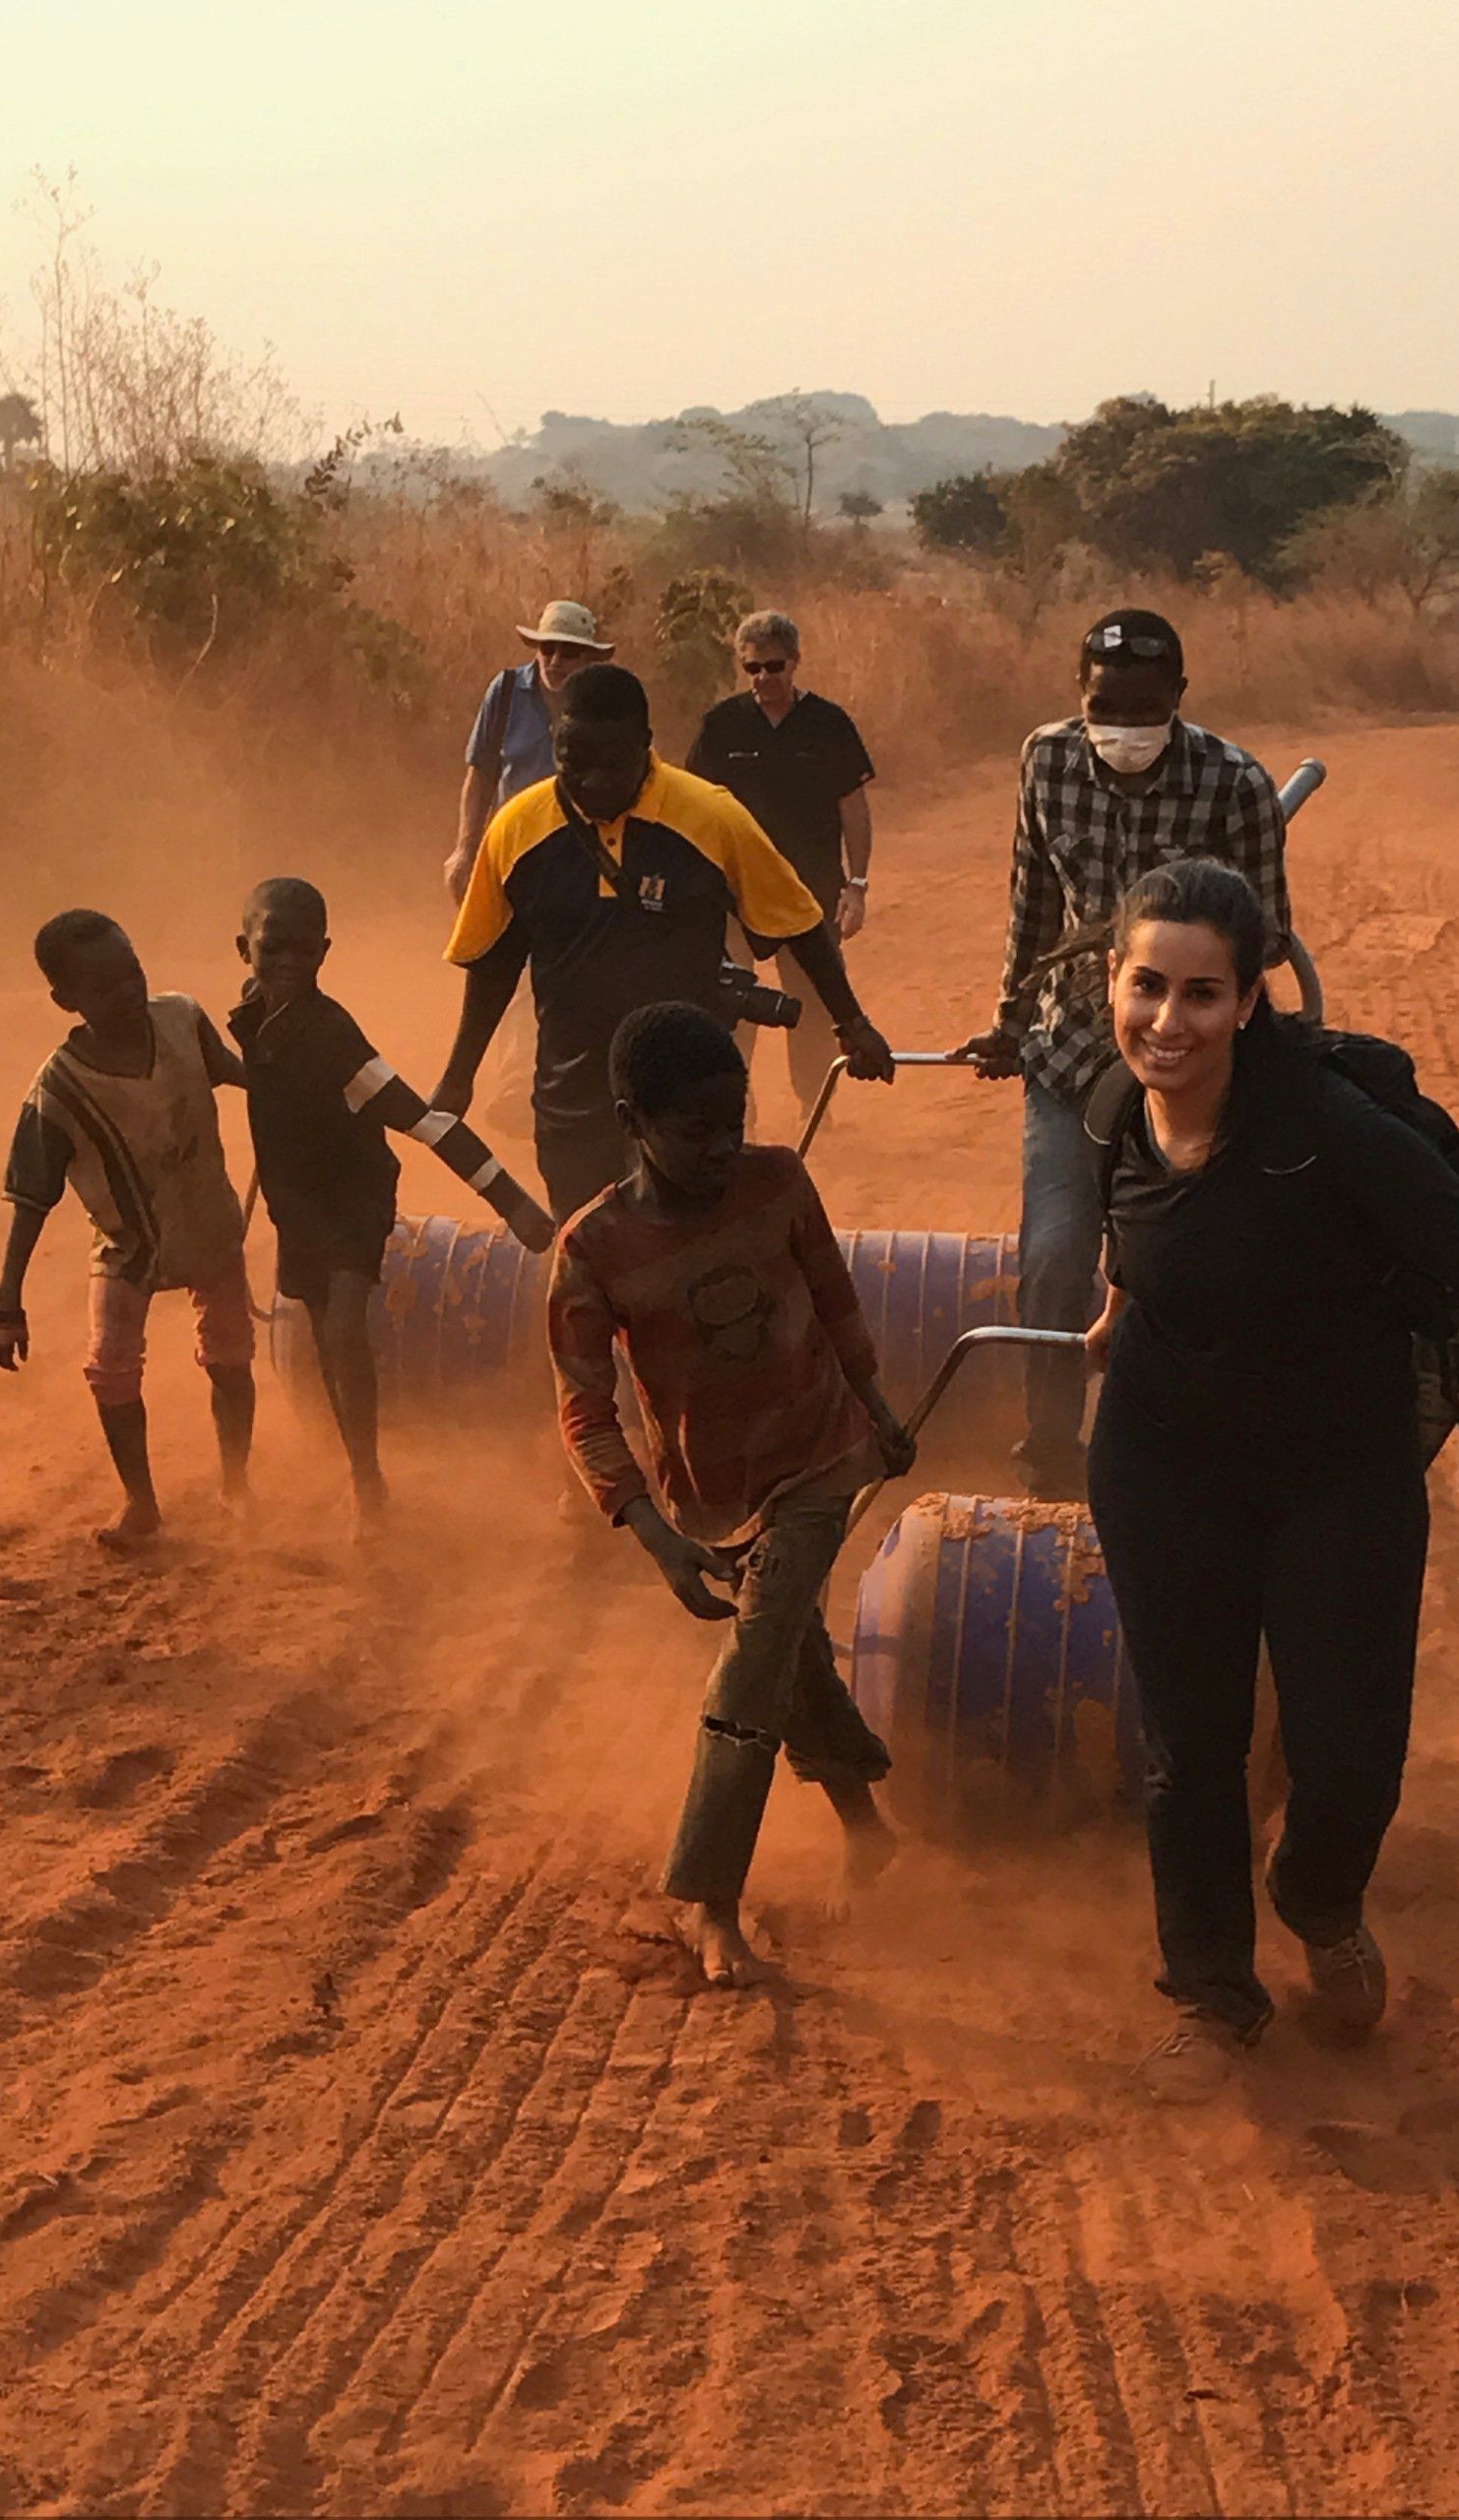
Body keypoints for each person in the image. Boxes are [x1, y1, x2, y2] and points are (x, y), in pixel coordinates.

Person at [1077, 859, 1459, 2086]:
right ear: (1114, 980)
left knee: (1350, 1747)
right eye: (1146, 985)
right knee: (1190, 1745)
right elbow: (1134, 1234)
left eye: (1202, 994)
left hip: (1337, 1470)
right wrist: (1115, 1315)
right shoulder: (1113, 1107)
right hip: (1165, 1464)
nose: (1168, 1020)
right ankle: (1214, 1996)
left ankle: (1317, 1894)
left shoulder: (1330, 1134)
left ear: (1250, 1002)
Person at [547, 1001, 917, 1986]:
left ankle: (709, 1898)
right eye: (692, 1130)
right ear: (632, 1119)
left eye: (734, 1121)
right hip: (709, 1495)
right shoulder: (592, 1250)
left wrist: (878, 1410)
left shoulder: (778, 1183)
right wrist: (659, 1540)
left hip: (821, 1455)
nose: (721, 1148)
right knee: (791, 1649)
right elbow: (585, 1413)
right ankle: (867, 1825)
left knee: (751, 1666)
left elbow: (837, 1299)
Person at [959, 608, 1292, 1501]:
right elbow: (1032, 901)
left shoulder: (1238, 787)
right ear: (1081, 697)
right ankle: (1050, 1442)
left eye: (1145, 711)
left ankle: (1189, 1441)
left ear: (1180, 701)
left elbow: (1266, 940)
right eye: (1107, 708)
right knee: (1059, 1255)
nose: (1124, 730)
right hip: (1070, 1054)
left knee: (1183, 1259)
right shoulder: (1047, 761)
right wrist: (1008, 1015)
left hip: (1187, 1068)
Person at [434, 663, 895, 1223]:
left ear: (647, 748)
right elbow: (492, 962)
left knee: (691, 1250)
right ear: (555, 745)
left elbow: (800, 924)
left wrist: (852, 1022)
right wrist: (459, 1077)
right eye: (573, 763)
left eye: (613, 764)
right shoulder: (515, 829)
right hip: (573, 1091)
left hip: (691, 1094)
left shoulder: (710, 816)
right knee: (588, 1247)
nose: (593, 782)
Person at [231, 877, 552, 1529]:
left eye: (303, 950)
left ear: (325, 952)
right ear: (245, 950)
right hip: (296, 1200)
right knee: (320, 1328)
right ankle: (361, 1465)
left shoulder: (332, 1038)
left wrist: (511, 1201)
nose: (288, 962)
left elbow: (426, 1121)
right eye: (274, 948)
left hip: (354, 1196)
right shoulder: (248, 1019)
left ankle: (367, 1482)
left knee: (343, 1324)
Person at [0, 911, 255, 1549]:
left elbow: (244, 1075)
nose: (128, 991)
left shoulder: (183, 1019)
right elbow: (30, 1202)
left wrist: (291, 1074)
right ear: (65, 1000)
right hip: (127, 1249)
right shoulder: (58, 1091)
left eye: (132, 972)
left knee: (231, 1358)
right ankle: (141, 1506)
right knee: (110, 1370)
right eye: (104, 986)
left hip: (211, 1228)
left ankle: (237, 1486)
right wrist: (6, 1305)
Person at [686, 610, 876, 1114]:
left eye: (773, 666)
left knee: (812, 1002)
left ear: (794, 663)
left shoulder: (829, 724)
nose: (764, 678)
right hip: (729, 892)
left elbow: (853, 809)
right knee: (728, 1001)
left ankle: (815, 1106)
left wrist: (856, 885)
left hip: (808, 890)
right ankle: (732, 1108)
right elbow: (693, 807)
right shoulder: (721, 726)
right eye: (753, 669)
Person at [443, 600, 614, 903]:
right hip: (510, 849)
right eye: (547, 649)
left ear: (589, 659)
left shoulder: (604, 704)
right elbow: (480, 775)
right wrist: (465, 850)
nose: (555, 661)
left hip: (578, 858)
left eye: (569, 652)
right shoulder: (506, 691)